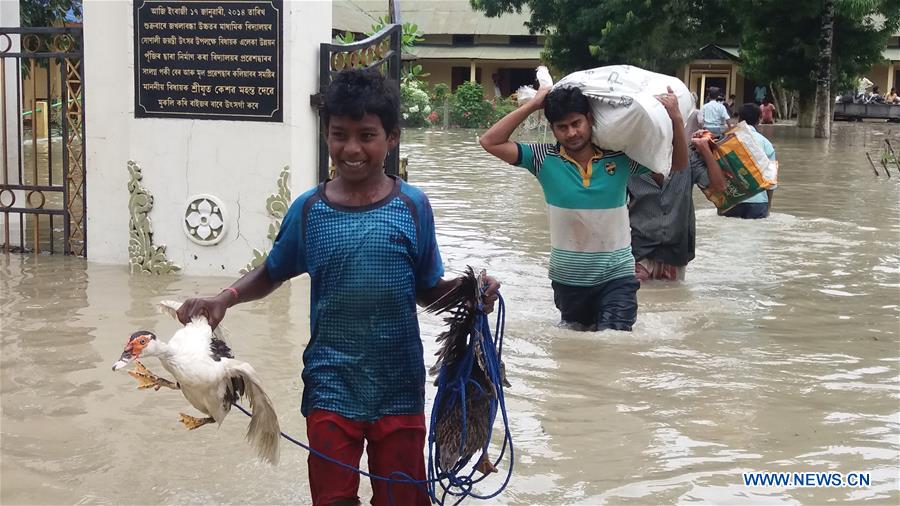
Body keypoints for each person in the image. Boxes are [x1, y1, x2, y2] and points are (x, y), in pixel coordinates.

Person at [176, 68, 500, 506]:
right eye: (339, 135)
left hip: (399, 385)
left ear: (392, 138)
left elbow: (426, 290)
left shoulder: (413, 206)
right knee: (331, 499)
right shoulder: (309, 210)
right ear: (326, 137)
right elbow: (273, 272)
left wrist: (470, 295)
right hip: (330, 383)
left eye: (367, 135)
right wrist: (225, 298)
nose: (352, 148)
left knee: (403, 499)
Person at [479, 85, 688, 331]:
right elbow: (489, 141)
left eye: (576, 123)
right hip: (568, 280)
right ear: (553, 129)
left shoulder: (620, 159)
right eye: (562, 127)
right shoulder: (542, 158)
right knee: (576, 349)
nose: (571, 133)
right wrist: (534, 104)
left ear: (590, 119)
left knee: (614, 344)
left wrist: (675, 118)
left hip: (617, 276)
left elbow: (676, 165)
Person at [628, 130, 728, 282]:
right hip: (639, 251)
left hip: (675, 252)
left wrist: (705, 151)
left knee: (674, 298)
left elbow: (720, 186)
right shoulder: (628, 163)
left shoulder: (688, 159)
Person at [723, 103, 777, 220]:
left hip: (732, 200)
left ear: (739, 119)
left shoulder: (726, 141)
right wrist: (768, 206)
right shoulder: (766, 144)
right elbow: (771, 179)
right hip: (758, 202)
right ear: (759, 120)